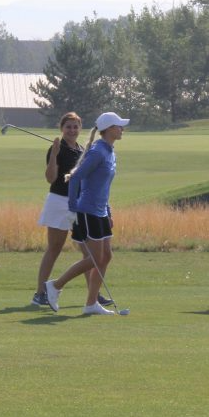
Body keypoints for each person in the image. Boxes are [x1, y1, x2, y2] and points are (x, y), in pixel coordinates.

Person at [45, 111, 129, 315]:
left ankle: (91, 304)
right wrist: (73, 208)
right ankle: (55, 286)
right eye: (118, 126)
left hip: (100, 211)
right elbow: (74, 178)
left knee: (106, 256)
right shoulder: (98, 151)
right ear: (108, 129)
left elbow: (104, 186)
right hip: (87, 211)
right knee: (94, 258)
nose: (122, 129)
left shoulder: (110, 151)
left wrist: (108, 211)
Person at [31, 112, 111, 307]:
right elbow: (51, 178)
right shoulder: (56, 148)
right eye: (68, 127)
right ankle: (40, 292)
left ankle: (94, 295)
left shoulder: (83, 149)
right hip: (59, 201)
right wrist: (55, 155)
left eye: (75, 127)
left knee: (88, 252)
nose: (72, 130)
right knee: (55, 248)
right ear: (62, 129)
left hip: (80, 204)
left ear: (80, 128)